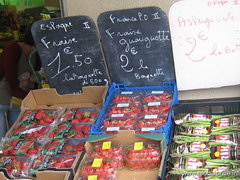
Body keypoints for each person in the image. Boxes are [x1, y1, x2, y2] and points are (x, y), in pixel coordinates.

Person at [0, 27, 41, 139]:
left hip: (18, 99)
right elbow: (10, 80)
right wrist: (30, 99)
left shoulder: (35, 55)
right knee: (2, 133)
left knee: (19, 131)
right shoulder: (12, 50)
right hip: (3, 96)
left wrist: (32, 86)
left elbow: (36, 77)